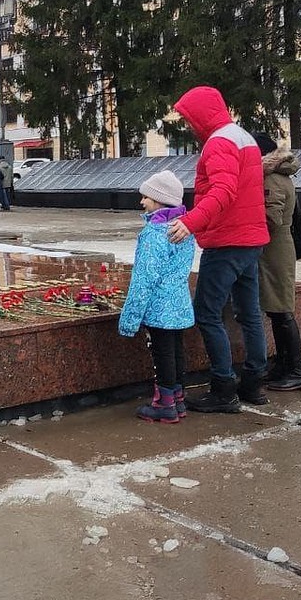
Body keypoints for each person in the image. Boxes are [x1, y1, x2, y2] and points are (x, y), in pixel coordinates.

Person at [167, 86, 270, 412]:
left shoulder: (219, 143)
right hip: (252, 240)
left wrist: (191, 222)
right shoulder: (244, 137)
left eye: (188, 118)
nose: (187, 125)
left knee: (208, 314)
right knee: (249, 314)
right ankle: (254, 383)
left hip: (227, 242)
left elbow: (223, 190)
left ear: (200, 114)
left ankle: (224, 389)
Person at [118, 170, 196, 423]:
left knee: (162, 353)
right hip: (179, 302)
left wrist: (129, 319)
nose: (142, 202)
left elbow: (144, 278)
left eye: (146, 197)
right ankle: (177, 400)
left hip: (159, 306)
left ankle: (164, 405)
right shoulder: (183, 228)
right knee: (175, 351)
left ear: (160, 200)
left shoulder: (154, 233)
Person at [255, 133, 301, 392]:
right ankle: (283, 365)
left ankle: (297, 370)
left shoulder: (272, 178)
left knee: (282, 310)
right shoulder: (278, 176)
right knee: (277, 310)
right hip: (274, 249)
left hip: (275, 250)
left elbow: (271, 218)